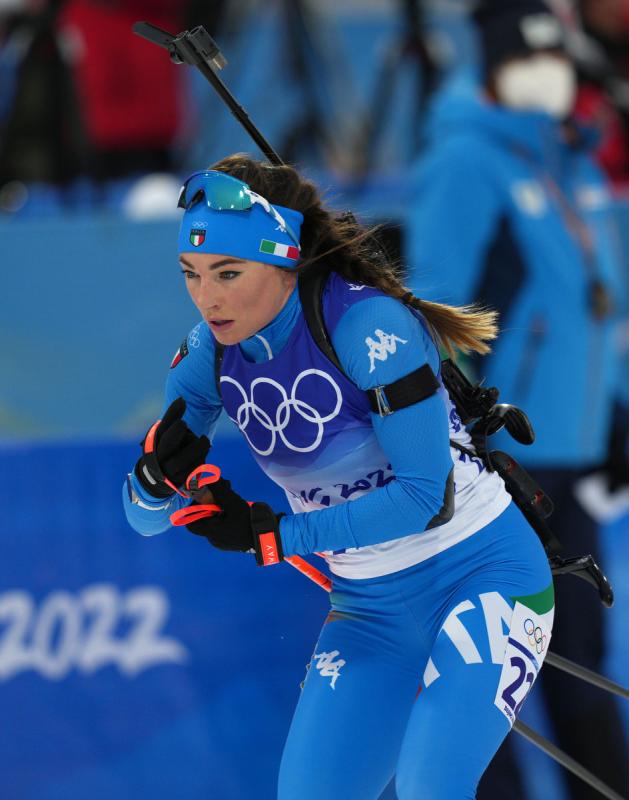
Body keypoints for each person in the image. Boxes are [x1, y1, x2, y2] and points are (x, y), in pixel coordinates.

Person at [123, 155, 555, 800]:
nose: (207, 296)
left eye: (229, 273)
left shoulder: (365, 325)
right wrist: (158, 478)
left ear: (284, 263)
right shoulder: (208, 355)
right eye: (192, 274)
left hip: (484, 576)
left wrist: (272, 536)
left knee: (431, 787)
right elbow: (141, 519)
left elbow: (421, 499)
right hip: (369, 610)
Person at [404, 1, 629, 798]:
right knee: (484, 672)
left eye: (555, 59)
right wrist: (455, 430)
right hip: (501, 467)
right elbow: (431, 309)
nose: (546, 76)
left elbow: (601, 312)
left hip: (570, 458)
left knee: (580, 668)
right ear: (492, 68)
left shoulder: (573, 163)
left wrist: (616, 416)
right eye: (525, 60)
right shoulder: (465, 162)